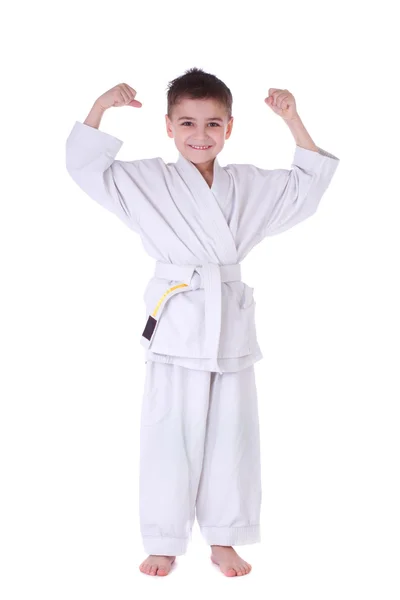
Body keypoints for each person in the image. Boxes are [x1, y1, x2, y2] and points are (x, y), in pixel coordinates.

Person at [65, 68, 340, 577]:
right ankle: (164, 539)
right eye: (187, 123)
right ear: (168, 127)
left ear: (230, 128)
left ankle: (224, 539)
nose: (200, 135)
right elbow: (86, 168)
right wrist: (101, 105)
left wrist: (293, 119)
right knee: (168, 433)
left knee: (232, 435)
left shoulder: (248, 186)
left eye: (213, 124)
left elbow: (306, 189)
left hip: (230, 326)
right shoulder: (146, 179)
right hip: (176, 324)